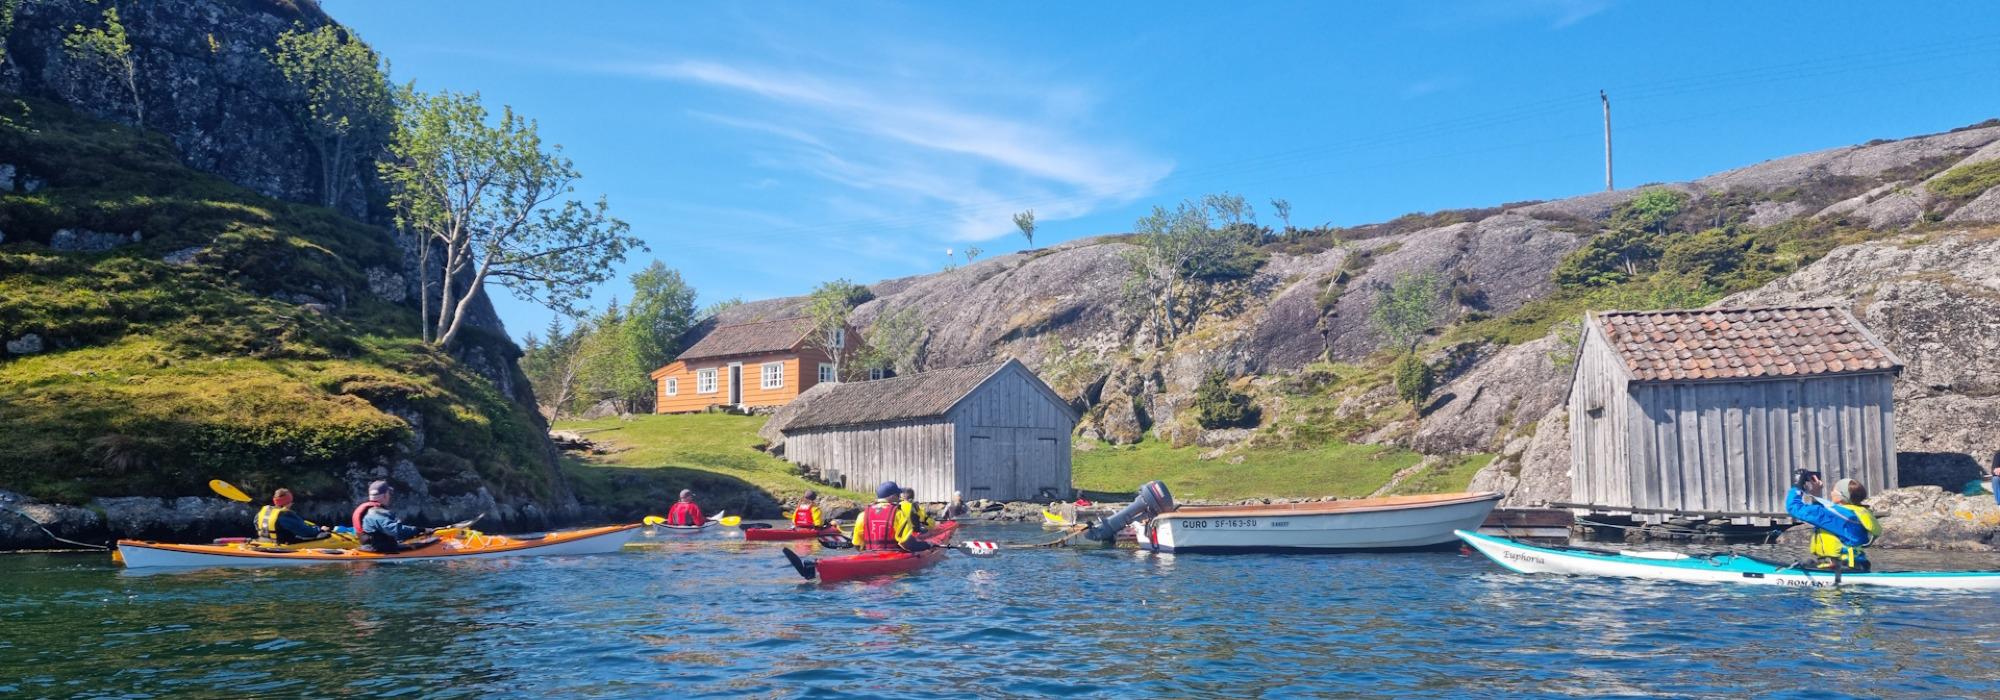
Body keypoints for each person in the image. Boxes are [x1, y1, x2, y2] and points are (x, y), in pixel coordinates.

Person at [1784, 470, 1880, 572]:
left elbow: (1793, 507)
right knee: (1808, 562)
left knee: (1804, 564)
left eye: (1833, 491)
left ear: (1841, 496)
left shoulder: (1835, 514)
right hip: (1857, 565)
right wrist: (1816, 494)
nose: (1831, 493)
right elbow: (1826, 518)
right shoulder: (1856, 512)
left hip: (1841, 568)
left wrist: (1797, 487)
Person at [352, 481, 431, 553]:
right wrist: (420, 530)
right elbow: (395, 531)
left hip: (369, 549)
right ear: (385, 495)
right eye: (389, 493)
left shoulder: (369, 511)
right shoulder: (376, 513)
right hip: (380, 552)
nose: (390, 496)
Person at [852, 481, 927, 552]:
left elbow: (857, 544)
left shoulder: (863, 514)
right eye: (898, 494)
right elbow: (906, 543)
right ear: (893, 496)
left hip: (869, 554)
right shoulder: (898, 513)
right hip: (893, 554)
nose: (899, 497)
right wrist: (927, 545)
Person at [256, 488, 330, 545]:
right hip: (282, 545)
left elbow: (256, 523)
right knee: (325, 536)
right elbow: (305, 532)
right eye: (290, 501)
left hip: (263, 542)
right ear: (288, 502)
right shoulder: (285, 515)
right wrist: (321, 530)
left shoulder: (264, 511)